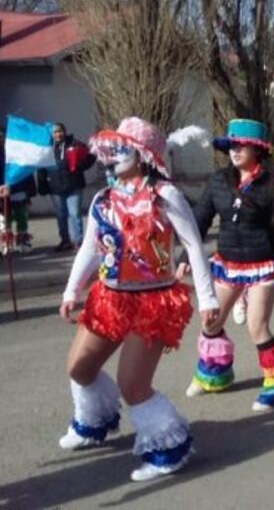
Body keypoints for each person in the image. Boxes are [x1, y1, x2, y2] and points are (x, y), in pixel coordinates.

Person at [58, 117, 220, 481]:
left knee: (133, 386)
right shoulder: (103, 198)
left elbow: (193, 245)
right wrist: (72, 290)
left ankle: (168, 449)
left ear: (144, 155)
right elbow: (89, 248)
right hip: (109, 298)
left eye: (122, 149)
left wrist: (208, 298)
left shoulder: (165, 196)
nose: (112, 157)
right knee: (79, 368)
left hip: (153, 302)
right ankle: (93, 422)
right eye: (110, 150)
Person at [185, 119, 274, 412]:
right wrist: (183, 258)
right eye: (231, 146)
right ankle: (215, 374)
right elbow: (198, 220)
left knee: (256, 326)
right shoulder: (218, 181)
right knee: (211, 322)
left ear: (258, 149)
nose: (235, 151)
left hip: (262, 263)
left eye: (241, 146)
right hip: (228, 262)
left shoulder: (273, 183)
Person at [37, 123, 95, 251]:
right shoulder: (47, 149)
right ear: (52, 135)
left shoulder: (75, 144)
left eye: (60, 131)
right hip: (55, 187)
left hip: (73, 185)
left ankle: (77, 241)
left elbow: (91, 156)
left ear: (65, 131)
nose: (58, 134)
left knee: (74, 214)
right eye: (55, 132)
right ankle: (65, 240)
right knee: (61, 215)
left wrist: (80, 166)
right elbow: (41, 168)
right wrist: (42, 184)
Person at [0, 127, 38, 253]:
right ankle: (7, 242)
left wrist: (30, 190)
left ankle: (22, 241)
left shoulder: (18, 153)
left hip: (18, 189)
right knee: (5, 218)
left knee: (21, 216)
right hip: (2, 190)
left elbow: (26, 172)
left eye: (3, 137)